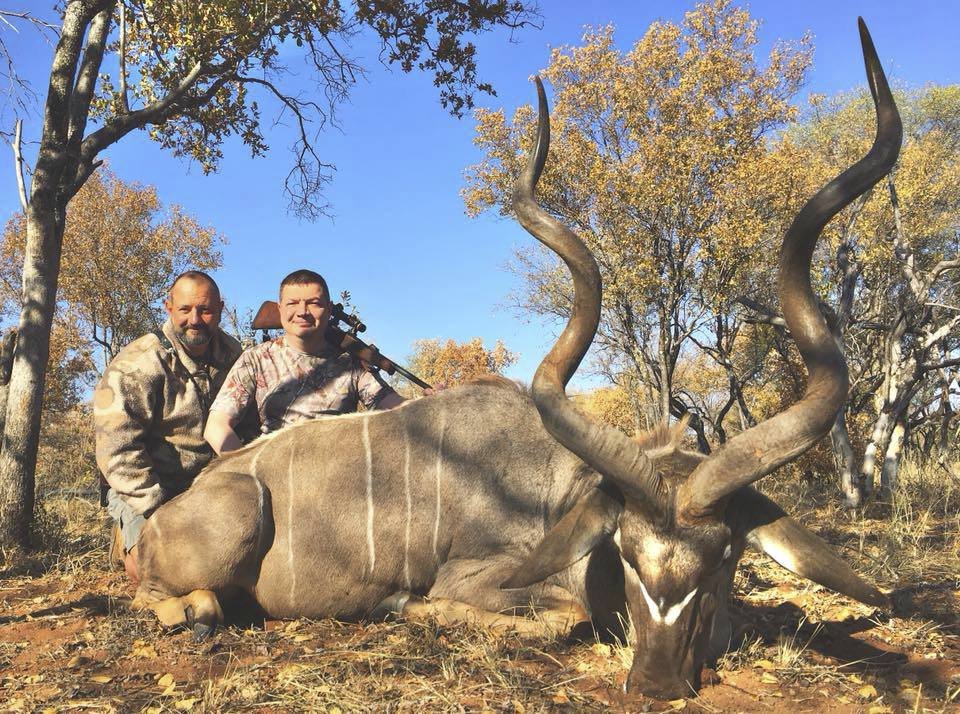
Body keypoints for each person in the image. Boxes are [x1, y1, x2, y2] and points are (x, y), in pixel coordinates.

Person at [94, 271, 245, 582]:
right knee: (157, 573)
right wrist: (158, 511)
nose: (195, 319)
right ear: (168, 307)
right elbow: (118, 453)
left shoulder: (234, 355)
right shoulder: (138, 363)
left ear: (220, 309)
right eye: (185, 309)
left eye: (205, 310)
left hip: (210, 487)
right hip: (148, 489)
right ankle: (129, 539)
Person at [205, 269, 405, 454]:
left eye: (314, 303)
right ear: (280, 308)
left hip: (337, 468)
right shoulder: (256, 358)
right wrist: (249, 475)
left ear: (328, 309)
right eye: (292, 303)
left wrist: (431, 402)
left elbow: (396, 409)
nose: (303, 311)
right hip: (274, 468)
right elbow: (216, 427)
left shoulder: (350, 363)